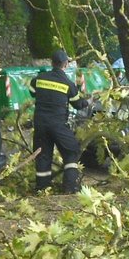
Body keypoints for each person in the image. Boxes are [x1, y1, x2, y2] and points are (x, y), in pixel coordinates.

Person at [31, 49, 87, 193]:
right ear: (66, 64)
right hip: (58, 125)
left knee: (43, 155)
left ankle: (42, 189)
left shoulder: (39, 78)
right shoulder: (68, 84)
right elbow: (78, 104)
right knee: (71, 150)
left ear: (52, 62)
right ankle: (70, 187)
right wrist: (85, 95)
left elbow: (32, 92)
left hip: (40, 124)